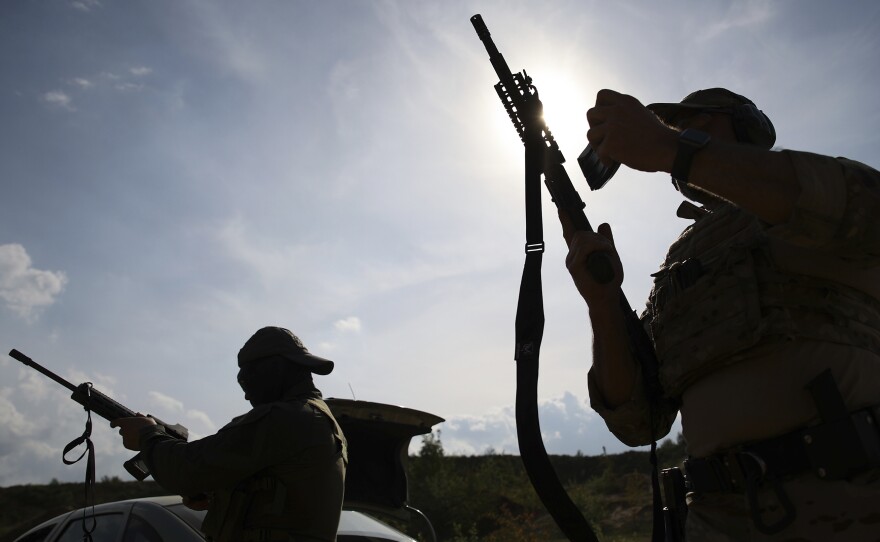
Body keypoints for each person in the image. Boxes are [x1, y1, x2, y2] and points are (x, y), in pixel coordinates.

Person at [563, 88, 880, 540]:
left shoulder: (801, 196)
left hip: (847, 508)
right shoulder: (678, 262)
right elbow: (639, 421)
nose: (681, 134)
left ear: (744, 127)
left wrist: (671, 149)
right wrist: (603, 305)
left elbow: (865, 207)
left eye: (697, 124)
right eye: (673, 129)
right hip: (715, 521)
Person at [112, 326, 348, 542]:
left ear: (274, 368)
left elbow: (186, 470)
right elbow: (275, 491)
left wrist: (147, 435)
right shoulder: (316, 417)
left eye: (246, 381)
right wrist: (215, 495)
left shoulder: (287, 418)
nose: (246, 396)